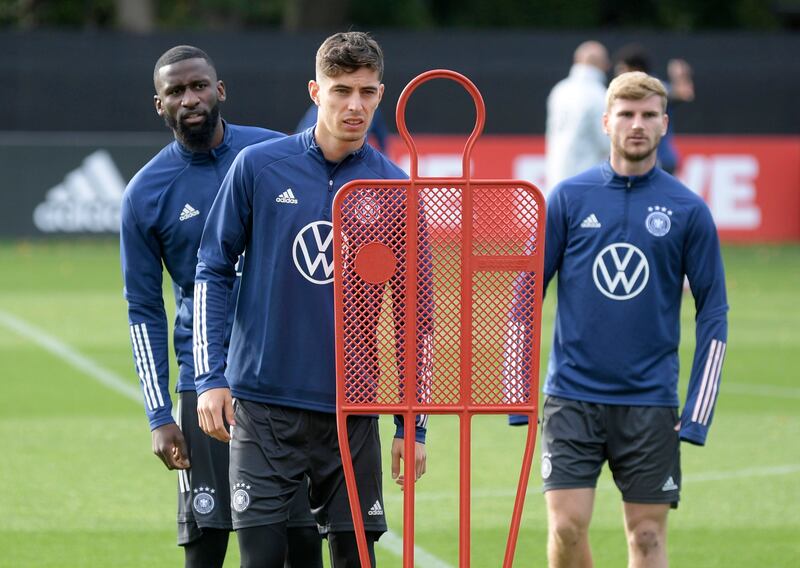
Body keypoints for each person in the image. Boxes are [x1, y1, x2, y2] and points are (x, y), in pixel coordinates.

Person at [193, 31, 429, 567]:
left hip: (352, 410)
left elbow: (416, 314)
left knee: (354, 560)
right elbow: (212, 267)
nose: (354, 105)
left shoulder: (396, 189)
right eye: (341, 89)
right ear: (315, 91)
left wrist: (411, 426)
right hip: (263, 406)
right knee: (261, 559)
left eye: (367, 92)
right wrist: (212, 378)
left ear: (380, 94)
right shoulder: (258, 167)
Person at [507, 71, 728, 567]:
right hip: (572, 397)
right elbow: (525, 297)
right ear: (606, 122)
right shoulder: (567, 198)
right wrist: (515, 393)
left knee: (647, 536)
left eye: (649, 115)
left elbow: (713, 309)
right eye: (626, 115)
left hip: (649, 401)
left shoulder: (688, 209)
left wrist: (697, 410)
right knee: (565, 529)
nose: (637, 125)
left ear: (664, 124)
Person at [120, 45, 322, 568]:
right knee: (207, 543)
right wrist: (160, 414)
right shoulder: (146, 193)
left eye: (199, 86)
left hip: (283, 378)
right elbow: (144, 309)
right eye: (176, 91)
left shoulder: (275, 154)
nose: (190, 98)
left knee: (300, 540)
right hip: (205, 384)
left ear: (220, 90)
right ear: (158, 105)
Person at [613, 43, 695, 175]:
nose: (619, 74)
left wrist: (680, 77)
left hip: (656, 158)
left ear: (635, 68)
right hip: (654, 157)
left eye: (622, 69)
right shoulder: (651, 86)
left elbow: (684, 93)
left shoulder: (651, 88)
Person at [545, 40, 610, 191]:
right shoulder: (599, 94)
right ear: (602, 64)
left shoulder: (559, 90)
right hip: (588, 179)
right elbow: (605, 143)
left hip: (556, 172)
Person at [296, 103, 389, 154]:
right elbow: (302, 139)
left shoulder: (371, 111)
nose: (354, 106)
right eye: (342, 91)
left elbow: (382, 137)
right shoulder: (317, 112)